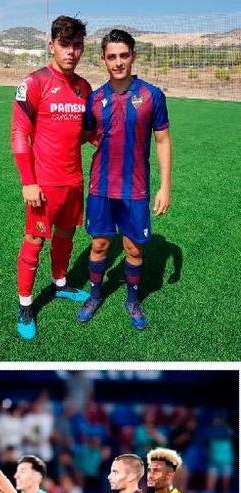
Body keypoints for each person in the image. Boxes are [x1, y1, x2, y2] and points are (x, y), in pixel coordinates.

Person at [77, 29, 172, 330]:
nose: (118, 62)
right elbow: (86, 135)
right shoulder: (95, 99)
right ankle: (94, 295)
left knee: (133, 249)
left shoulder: (151, 95)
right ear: (103, 60)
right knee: (100, 246)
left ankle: (132, 300)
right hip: (101, 187)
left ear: (133, 56)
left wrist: (165, 186)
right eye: (111, 57)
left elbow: (163, 141)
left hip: (136, 188)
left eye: (123, 55)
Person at [10, 16, 93, 341]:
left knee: (67, 234)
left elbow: (85, 132)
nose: (71, 52)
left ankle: (60, 283)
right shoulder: (34, 83)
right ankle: (26, 304)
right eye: (65, 45)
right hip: (43, 184)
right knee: (34, 239)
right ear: (52, 45)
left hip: (73, 181)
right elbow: (19, 134)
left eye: (77, 46)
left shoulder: (84, 88)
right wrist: (28, 181)